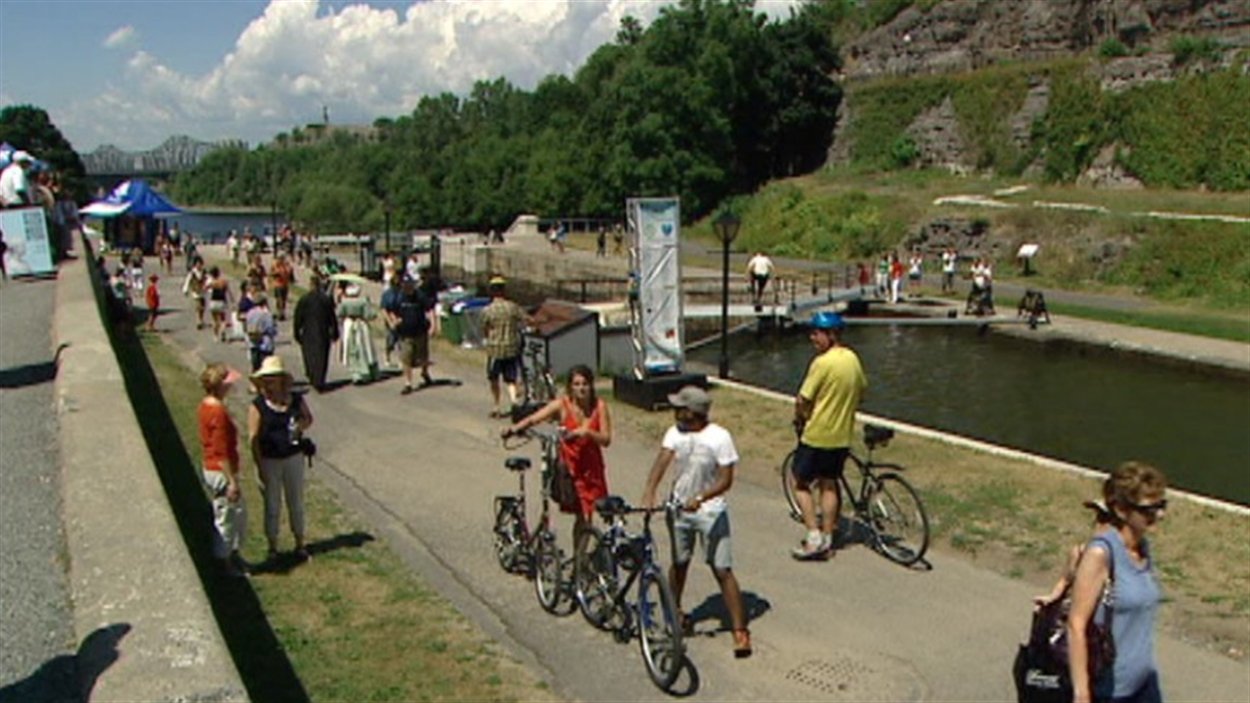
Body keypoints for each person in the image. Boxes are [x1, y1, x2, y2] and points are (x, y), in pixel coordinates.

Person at [641, 386, 752, 658]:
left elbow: (726, 480)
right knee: (679, 564)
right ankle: (674, 612)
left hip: (711, 512)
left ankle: (740, 630)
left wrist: (701, 498)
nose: (674, 411)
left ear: (693, 412)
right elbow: (662, 461)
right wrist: (650, 490)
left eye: (679, 407)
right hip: (679, 511)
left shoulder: (719, 437)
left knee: (722, 569)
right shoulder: (674, 433)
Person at [1068, 462, 1167, 703]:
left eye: (1161, 505)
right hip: (1110, 691)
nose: (1159, 515)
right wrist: (1081, 693)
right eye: (1148, 509)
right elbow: (1076, 624)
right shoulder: (1102, 553)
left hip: (1145, 683)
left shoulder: (1142, 547)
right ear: (1122, 510)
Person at [791, 311, 867, 560]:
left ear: (831, 335)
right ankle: (828, 538)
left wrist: (800, 418)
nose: (812, 337)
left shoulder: (822, 363)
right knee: (829, 484)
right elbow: (862, 389)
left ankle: (813, 536)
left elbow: (803, 398)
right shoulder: (853, 360)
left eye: (817, 333)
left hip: (817, 434)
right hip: (842, 435)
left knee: (800, 483)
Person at [505, 365, 611, 543]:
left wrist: (587, 433)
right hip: (570, 469)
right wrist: (514, 428)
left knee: (588, 516)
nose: (581, 388)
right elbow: (534, 418)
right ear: (570, 387)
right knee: (582, 515)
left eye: (585, 384)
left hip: (592, 469)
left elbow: (606, 439)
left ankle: (581, 559)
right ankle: (580, 559)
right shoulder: (562, 405)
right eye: (576, 384)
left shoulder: (599, 407)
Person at [247, 356, 313, 561]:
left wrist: (300, 426)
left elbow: (308, 418)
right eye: (265, 379)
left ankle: (300, 542)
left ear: (282, 380)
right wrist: (259, 466)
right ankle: (273, 546)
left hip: (293, 457)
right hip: (270, 460)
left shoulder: (295, 399)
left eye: (272, 379)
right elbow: (253, 438)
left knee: (296, 501)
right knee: (272, 504)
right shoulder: (258, 406)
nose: (269, 383)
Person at [197, 363, 248, 577]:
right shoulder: (217, 411)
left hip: (211, 466)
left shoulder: (205, 406)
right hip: (220, 471)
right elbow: (221, 451)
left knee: (236, 513)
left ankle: (232, 556)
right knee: (227, 516)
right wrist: (232, 481)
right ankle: (225, 564)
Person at [1034, 500, 1114, 609]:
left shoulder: (1122, 560)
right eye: (1098, 518)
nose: (1098, 524)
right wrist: (1050, 598)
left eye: (1105, 519)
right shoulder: (1079, 553)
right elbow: (1064, 581)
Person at [480, 276, 528, 418]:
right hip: (511, 348)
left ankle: (496, 406)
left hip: (494, 349)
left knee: (494, 378)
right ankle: (514, 401)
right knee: (511, 379)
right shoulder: (512, 307)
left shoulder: (487, 310)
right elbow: (525, 319)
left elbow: (484, 328)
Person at [387, 276, 434, 395]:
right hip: (405, 334)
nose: (408, 288)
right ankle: (408, 383)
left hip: (420, 332)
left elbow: (429, 309)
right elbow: (391, 310)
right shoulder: (399, 297)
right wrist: (394, 321)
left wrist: (433, 324)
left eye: (410, 285)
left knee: (423, 357)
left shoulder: (420, 296)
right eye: (406, 286)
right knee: (406, 358)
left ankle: (425, 372)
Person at [292, 274, 339, 392]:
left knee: (309, 356)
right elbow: (332, 317)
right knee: (322, 356)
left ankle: (313, 376)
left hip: (308, 332)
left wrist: (296, 332)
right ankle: (320, 379)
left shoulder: (304, 300)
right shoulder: (325, 299)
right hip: (323, 332)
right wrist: (335, 332)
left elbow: (298, 318)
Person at [336, 284, 379, 384]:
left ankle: (356, 373)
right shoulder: (363, 301)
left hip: (349, 324)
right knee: (366, 348)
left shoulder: (344, 302)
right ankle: (369, 370)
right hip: (361, 325)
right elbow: (369, 315)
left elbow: (339, 313)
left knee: (352, 349)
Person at [244, 293, 278, 372]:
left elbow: (246, 325)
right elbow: (271, 328)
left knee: (255, 365)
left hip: (253, 341)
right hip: (265, 343)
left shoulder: (249, 313)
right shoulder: (266, 314)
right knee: (266, 366)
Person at [379, 274, 403, 368]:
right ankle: (387, 357)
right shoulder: (387, 294)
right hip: (389, 318)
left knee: (401, 341)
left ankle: (401, 359)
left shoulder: (402, 293)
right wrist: (390, 321)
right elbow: (384, 309)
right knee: (390, 340)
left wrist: (400, 319)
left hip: (400, 318)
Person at [205, 267, 232, 340]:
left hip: (213, 302)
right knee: (223, 319)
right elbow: (229, 292)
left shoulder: (213, 283)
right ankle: (223, 330)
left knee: (215, 320)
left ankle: (215, 336)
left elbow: (205, 288)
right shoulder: (224, 282)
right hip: (222, 302)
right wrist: (232, 300)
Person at [270, 253, 295, 320]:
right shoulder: (275, 265)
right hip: (278, 285)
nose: (281, 260)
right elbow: (271, 274)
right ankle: (280, 313)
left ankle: (281, 312)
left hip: (285, 285)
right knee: (279, 299)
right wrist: (276, 273)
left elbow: (290, 274)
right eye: (280, 258)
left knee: (283, 300)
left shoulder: (286, 265)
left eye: (282, 258)